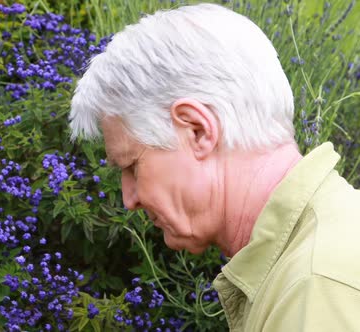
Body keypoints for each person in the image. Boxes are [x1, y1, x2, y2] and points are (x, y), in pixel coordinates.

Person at [68, 3, 360, 331]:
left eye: (132, 166)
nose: (129, 198)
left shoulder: (315, 287)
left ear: (198, 130)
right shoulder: (315, 254)